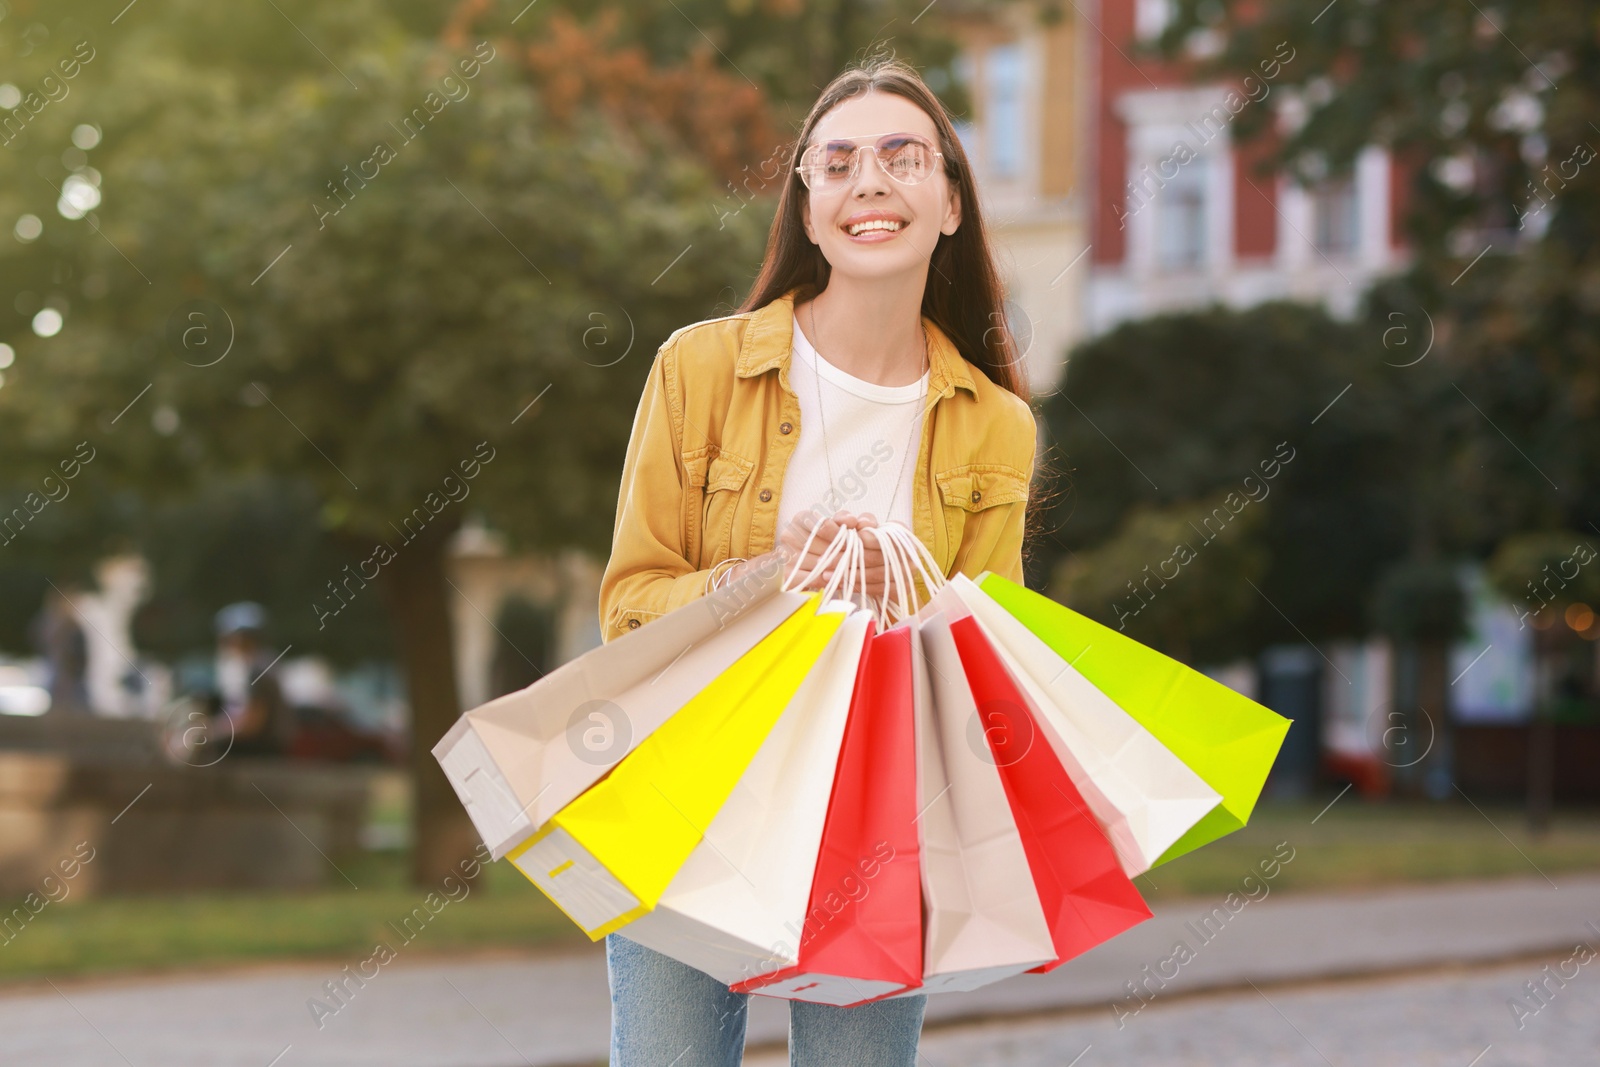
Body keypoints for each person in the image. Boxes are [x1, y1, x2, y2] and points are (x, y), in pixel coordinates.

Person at [596, 55, 1039, 1067]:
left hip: (877, 822)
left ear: (951, 201)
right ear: (807, 204)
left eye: (900, 156)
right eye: (834, 163)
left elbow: (989, 672)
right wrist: (759, 578)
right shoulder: (699, 368)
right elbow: (628, 606)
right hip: (689, 798)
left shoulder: (995, 425)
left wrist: (918, 599)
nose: (867, 182)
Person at [212, 601, 295, 758]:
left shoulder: (259, 669)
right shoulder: (263, 663)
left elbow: (252, 725)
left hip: (263, 752)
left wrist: (211, 732)